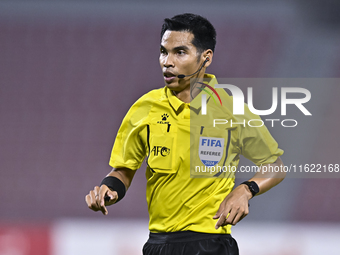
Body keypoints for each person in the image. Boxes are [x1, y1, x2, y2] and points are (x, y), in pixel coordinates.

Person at [85, 13, 285, 255]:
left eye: (179, 52)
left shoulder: (231, 110)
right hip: (158, 245)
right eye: (163, 51)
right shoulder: (144, 108)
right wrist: (109, 189)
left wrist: (245, 190)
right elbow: (124, 170)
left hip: (210, 244)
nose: (167, 62)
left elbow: (275, 166)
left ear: (206, 58)